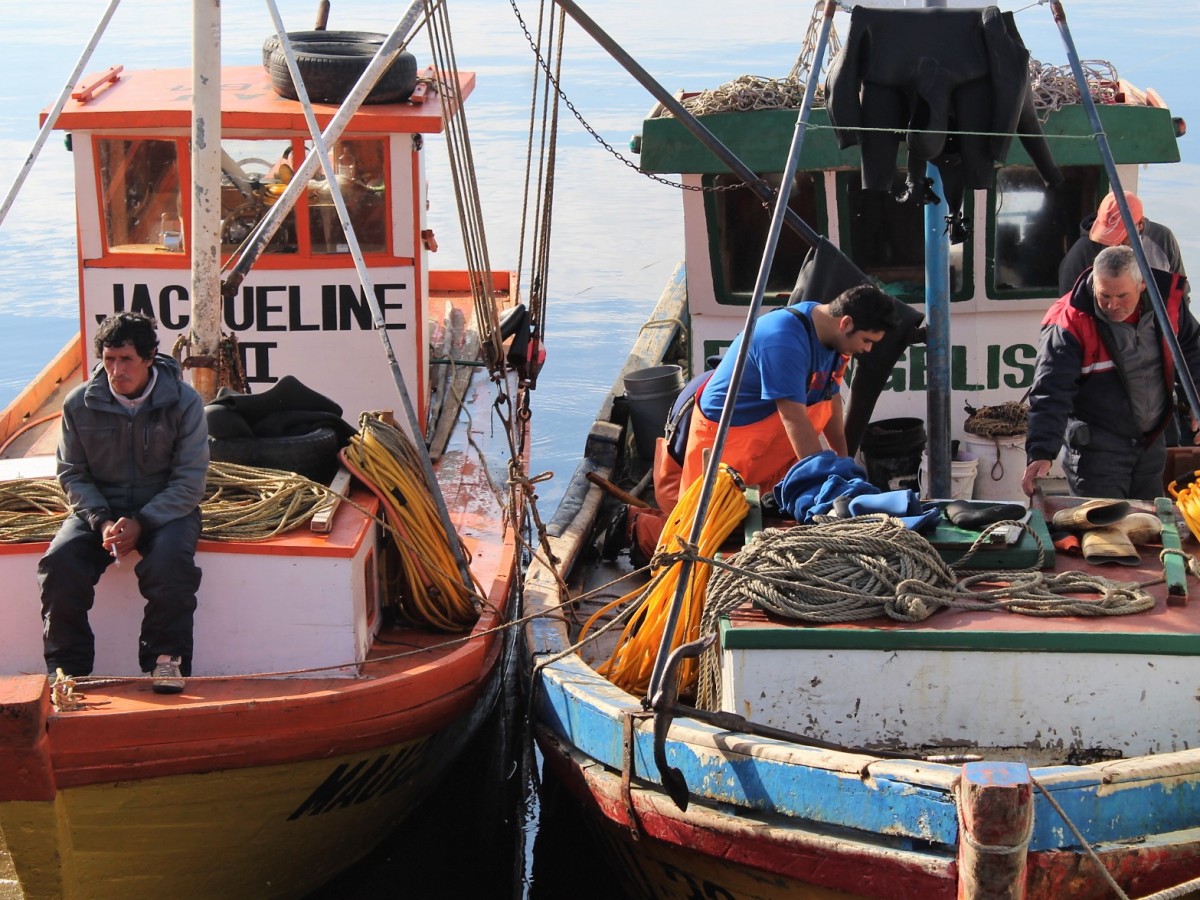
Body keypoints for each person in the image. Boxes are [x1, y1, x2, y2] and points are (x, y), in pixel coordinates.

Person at [39, 312, 209, 694]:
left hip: (167, 510)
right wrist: (101, 521)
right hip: (99, 510)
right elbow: (72, 474)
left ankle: (166, 660)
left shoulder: (184, 403)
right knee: (59, 564)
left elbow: (189, 481)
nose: (116, 370)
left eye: (126, 359)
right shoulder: (78, 404)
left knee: (171, 565)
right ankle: (67, 670)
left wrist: (142, 522)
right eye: (109, 359)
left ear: (149, 358)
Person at [679, 284, 896, 496]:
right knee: (712, 515)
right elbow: (793, 418)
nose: (867, 349)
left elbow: (830, 400)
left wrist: (844, 463)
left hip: (772, 445)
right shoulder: (783, 340)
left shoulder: (837, 341)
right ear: (846, 323)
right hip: (727, 443)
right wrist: (825, 484)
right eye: (866, 340)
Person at [1022, 245, 1200, 500]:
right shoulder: (1069, 322)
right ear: (1094, 283)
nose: (1112, 305)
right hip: (1096, 454)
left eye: (1122, 296)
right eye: (1104, 295)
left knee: (1150, 521)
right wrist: (1041, 451)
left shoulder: (1168, 305)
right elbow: (1051, 390)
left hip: (1151, 446)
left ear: (1142, 285)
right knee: (1104, 523)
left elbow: (1193, 352)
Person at [1058, 190, 1187, 297]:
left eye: (1119, 235)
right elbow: (1068, 306)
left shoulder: (1163, 239)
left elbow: (1180, 293)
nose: (1113, 243)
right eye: (1106, 234)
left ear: (1140, 224)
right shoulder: (1081, 253)